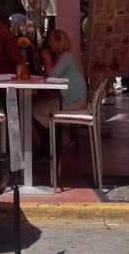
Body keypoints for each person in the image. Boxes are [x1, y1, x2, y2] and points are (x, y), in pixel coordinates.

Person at [31, 29, 88, 158]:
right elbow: (48, 75)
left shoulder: (66, 56)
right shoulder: (65, 55)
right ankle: (51, 144)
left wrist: (48, 59)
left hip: (74, 99)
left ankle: (61, 139)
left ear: (59, 42)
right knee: (38, 106)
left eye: (51, 41)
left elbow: (51, 76)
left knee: (37, 110)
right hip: (72, 97)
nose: (49, 43)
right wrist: (47, 61)